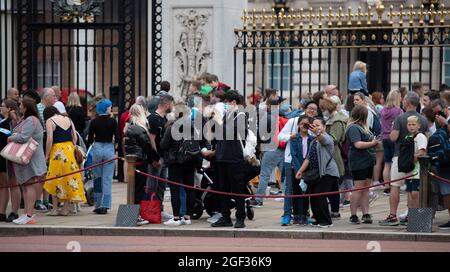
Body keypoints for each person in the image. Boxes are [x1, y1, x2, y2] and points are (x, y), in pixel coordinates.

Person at [379, 92, 429, 226]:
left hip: (400, 157)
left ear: (407, 102)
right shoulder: (423, 119)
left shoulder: (400, 118)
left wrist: (391, 130)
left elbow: (393, 137)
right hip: (418, 162)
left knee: (395, 185)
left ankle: (393, 215)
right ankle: (411, 216)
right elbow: (427, 138)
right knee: (413, 189)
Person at [160, 104, 210, 226]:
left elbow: (163, 145)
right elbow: (204, 143)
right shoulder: (195, 127)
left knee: (175, 190)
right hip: (191, 160)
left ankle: (176, 218)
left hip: (175, 162)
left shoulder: (172, 127)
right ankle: (187, 217)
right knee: (190, 189)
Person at [211, 91, 248, 228]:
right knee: (222, 189)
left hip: (234, 157)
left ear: (233, 102)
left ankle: (240, 217)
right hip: (222, 156)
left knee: (238, 189)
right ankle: (225, 216)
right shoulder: (226, 115)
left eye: (226, 102)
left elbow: (231, 132)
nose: (225, 105)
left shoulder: (241, 115)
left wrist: (219, 120)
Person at [295, 117, 339, 228]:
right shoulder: (313, 141)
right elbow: (308, 158)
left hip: (328, 172)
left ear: (324, 127)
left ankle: (327, 221)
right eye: (313, 125)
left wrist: (317, 133)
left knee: (320, 195)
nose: (315, 127)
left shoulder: (327, 138)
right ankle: (318, 219)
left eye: (318, 125)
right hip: (317, 173)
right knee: (313, 196)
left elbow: (322, 140)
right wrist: (300, 170)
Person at [9, 98, 47, 225]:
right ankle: (26, 214)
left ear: (26, 107)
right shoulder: (29, 119)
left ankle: (29, 214)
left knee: (28, 185)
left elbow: (23, 137)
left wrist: (11, 137)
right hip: (28, 158)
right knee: (26, 186)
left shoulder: (31, 120)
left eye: (21, 105)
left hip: (30, 158)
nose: (19, 106)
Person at [43, 106, 86, 216]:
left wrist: (47, 155)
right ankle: (66, 209)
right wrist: (73, 146)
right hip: (69, 150)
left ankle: (55, 209)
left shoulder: (50, 120)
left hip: (57, 151)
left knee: (55, 179)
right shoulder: (68, 119)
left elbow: (49, 140)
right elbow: (74, 137)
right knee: (68, 178)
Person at [346, 105, 379, 224]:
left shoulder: (363, 127)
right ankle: (353, 214)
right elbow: (358, 144)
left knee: (366, 188)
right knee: (358, 188)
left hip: (368, 160)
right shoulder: (353, 127)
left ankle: (366, 213)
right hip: (359, 162)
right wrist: (373, 143)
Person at [88, 99, 119, 215]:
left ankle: (97, 204)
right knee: (107, 179)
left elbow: (90, 138)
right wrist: (115, 148)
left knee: (97, 178)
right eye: (110, 107)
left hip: (97, 147)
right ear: (107, 108)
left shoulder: (94, 122)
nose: (111, 108)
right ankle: (105, 205)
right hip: (108, 149)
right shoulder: (112, 121)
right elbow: (117, 137)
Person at [123, 104, 153, 225]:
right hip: (140, 162)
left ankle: (131, 215)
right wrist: (154, 158)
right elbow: (147, 147)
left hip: (132, 161)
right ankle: (136, 215)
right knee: (139, 189)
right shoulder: (140, 129)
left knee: (133, 189)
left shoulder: (129, 127)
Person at [281, 115, 313, 225]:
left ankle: (304, 214)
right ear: (298, 125)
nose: (304, 126)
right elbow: (293, 155)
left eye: (306, 124)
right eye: (302, 124)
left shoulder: (311, 139)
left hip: (307, 168)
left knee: (306, 193)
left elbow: (310, 155)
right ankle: (296, 215)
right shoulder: (295, 138)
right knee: (296, 191)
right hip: (296, 167)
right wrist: (299, 169)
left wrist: (305, 169)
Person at [147, 92, 174, 220]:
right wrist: (155, 157)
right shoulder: (153, 118)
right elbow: (151, 139)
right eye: (171, 104)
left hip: (164, 156)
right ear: (167, 104)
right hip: (157, 157)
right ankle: (151, 209)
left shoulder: (164, 119)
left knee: (162, 185)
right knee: (153, 184)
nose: (172, 106)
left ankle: (160, 208)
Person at [320, 97, 347, 219]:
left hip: (334, 157)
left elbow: (334, 138)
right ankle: (414, 225)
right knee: (333, 186)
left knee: (331, 186)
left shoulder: (337, 121)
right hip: (331, 156)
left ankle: (414, 225)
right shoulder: (334, 119)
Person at [399, 116, 427, 225]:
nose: (411, 126)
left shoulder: (420, 136)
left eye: (414, 124)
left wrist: (410, 160)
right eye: (409, 124)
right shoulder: (407, 137)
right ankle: (411, 216)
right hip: (409, 171)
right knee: (410, 194)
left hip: (418, 170)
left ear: (419, 125)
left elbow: (422, 152)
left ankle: (418, 218)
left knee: (416, 194)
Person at [0, 99, 21, 223]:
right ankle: (1, 212)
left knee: (13, 184)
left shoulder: (12, 122)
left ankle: (14, 212)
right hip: (0, 156)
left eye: (2, 106)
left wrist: (15, 119)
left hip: (10, 156)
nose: (0, 108)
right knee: (2, 185)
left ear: (9, 108)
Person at [380, 90, 403, 196]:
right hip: (394, 138)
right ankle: (394, 185)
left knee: (387, 163)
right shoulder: (398, 111)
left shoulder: (383, 110)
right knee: (395, 162)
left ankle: (386, 187)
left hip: (384, 138)